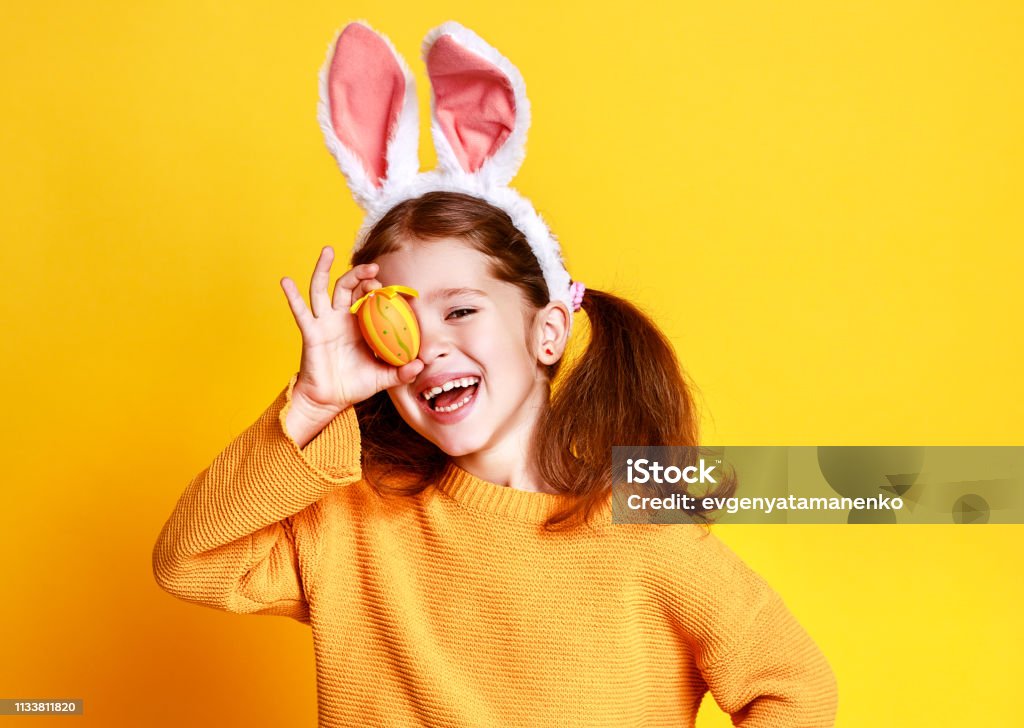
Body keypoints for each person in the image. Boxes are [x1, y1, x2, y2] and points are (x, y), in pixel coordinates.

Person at [152, 20, 838, 727]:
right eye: (404, 320)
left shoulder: (646, 535)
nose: (431, 347)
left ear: (547, 332)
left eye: (462, 310)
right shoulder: (357, 522)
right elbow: (189, 562)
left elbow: (794, 687)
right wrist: (310, 403)